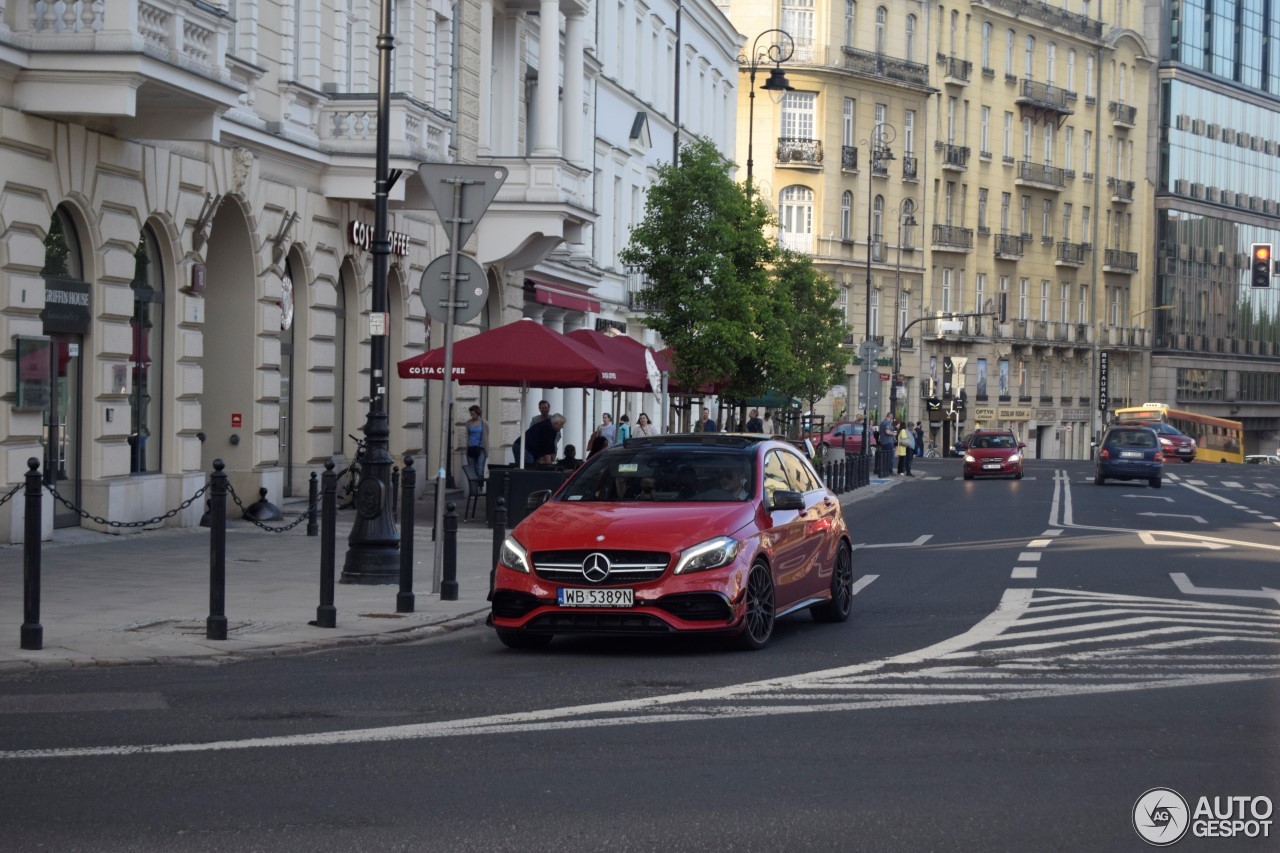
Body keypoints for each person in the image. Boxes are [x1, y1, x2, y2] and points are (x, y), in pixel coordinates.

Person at [463, 405, 488, 481]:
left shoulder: (484, 424)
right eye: (471, 414)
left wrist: (487, 450)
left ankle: (480, 487)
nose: (472, 416)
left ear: (478, 413)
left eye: (474, 414)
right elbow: (467, 435)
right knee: (472, 471)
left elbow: (487, 437)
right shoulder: (468, 423)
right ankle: (474, 490)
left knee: (480, 470)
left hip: (481, 449)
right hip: (471, 448)